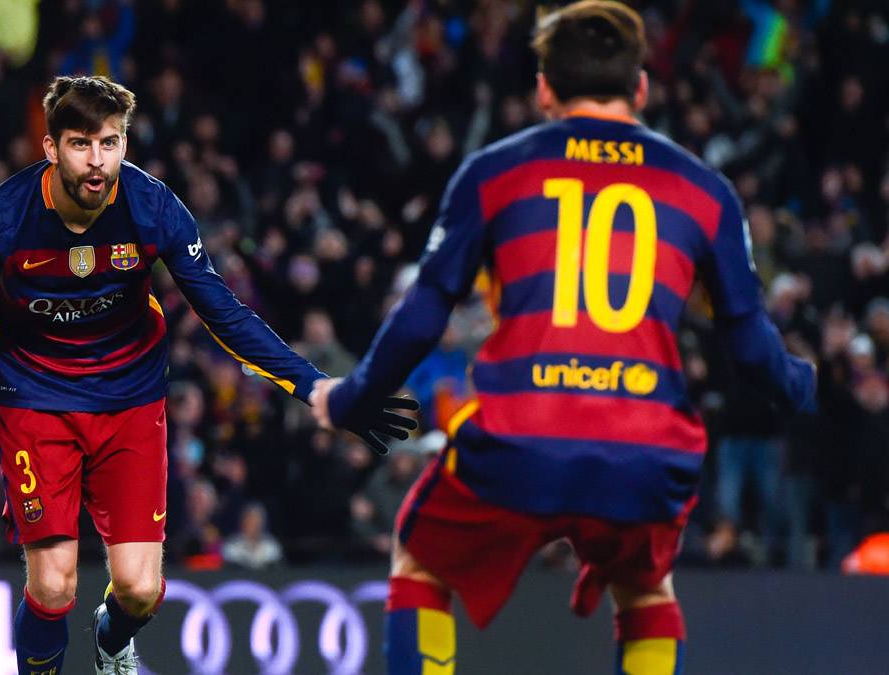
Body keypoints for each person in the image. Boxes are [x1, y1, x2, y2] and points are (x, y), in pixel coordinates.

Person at [0, 75, 415, 675]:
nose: (97, 161)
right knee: (51, 584)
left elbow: (224, 314)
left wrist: (316, 387)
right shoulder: (0, 219)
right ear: (50, 149)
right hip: (34, 399)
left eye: (110, 143)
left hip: (130, 400)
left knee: (139, 590)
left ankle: (111, 639)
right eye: (81, 144)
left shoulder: (153, 208)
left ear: (125, 143)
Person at [309, 2, 816, 673]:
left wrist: (351, 398)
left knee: (419, 559)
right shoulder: (705, 190)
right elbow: (751, 350)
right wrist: (809, 386)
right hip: (644, 443)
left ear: (544, 87)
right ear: (640, 87)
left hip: (522, 432)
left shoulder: (492, 172)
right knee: (646, 587)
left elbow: (425, 312)